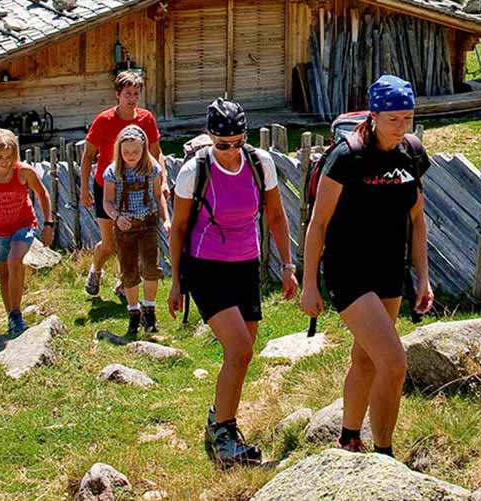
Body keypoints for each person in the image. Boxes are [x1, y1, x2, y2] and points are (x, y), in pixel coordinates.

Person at [300, 75, 434, 458]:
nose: (401, 126)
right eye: (393, 118)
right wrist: (310, 284)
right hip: (349, 271)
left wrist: (423, 278)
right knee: (393, 361)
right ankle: (384, 455)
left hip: (391, 269)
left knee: (365, 359)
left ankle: (348, 438)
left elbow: (418, 220)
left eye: (407, 117)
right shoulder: (348, 157)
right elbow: (319, 223)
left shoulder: (411, 153)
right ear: (374, 115)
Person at [168, 98, 298, 468]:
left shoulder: (261, 164)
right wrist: (176, 281)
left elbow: (275, 215)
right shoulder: (195, 171)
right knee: (240, 349)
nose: (231, 151)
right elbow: (177, 229)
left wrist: (287, 266)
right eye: (223, 145)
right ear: (210, 139)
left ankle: (218, 418)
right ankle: (225, 434)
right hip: (205, 267)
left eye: (238, 142)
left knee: (241, 353)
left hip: (245, 264)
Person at [80, 70, 162, 300]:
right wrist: (84, 189)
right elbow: (88, 156)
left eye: (136, 93)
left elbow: (156, 152)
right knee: (111, 243)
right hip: (107, 187)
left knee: (134, 238)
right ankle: (96, 269)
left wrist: (161, 180)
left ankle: (124, 282)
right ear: (117, 95)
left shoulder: (146, 119)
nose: (132, 98)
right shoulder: (104, 120)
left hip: (137, 187)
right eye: (127, 93)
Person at [0, 129, 55, 336]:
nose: (5, 162)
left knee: (15, 260)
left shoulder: (24, 172)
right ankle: (12, 318)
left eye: (9, 157)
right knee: (4, 274)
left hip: (23, 225)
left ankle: (16, 314)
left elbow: (42, 194)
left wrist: (48, 224)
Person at [102, 124, 170, 337]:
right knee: (129, 271)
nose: (130, 156)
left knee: (151, 268)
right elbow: (107, 201)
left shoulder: (152, 169)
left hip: (148, 223)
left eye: (135, 152)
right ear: (119, 151)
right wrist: (117, 217)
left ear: (144, 150)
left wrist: (165, 219)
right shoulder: (112, 172)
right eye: (126, 152)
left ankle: (150, 311)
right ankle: (133, 314)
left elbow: (159, 195)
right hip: (125, 226)